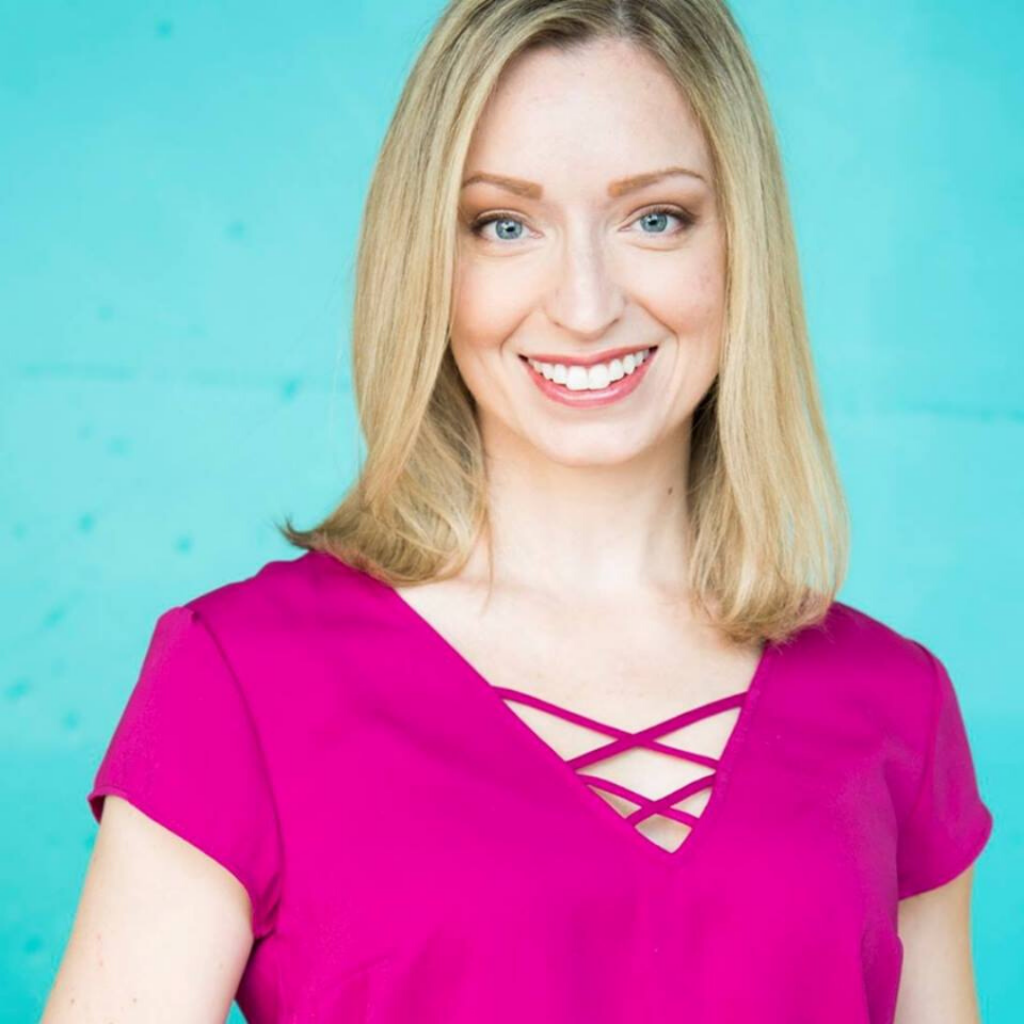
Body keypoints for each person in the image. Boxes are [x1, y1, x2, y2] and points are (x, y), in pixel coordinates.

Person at [41, 0, 995, 1021]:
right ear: (430, 267)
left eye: (654, 218)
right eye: (504, 224)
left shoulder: (895, 703)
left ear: (741, 246)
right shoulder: (239, 677)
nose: (584, 304)